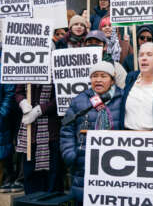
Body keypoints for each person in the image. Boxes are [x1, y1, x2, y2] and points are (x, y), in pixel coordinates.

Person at [60, 61, 124, 205]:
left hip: (116, 163)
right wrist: (71, 154)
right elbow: (67, 130)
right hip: (84, 164)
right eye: (94, 76)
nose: (98, 80)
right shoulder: (80, 100)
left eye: (103, 76)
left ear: (112, 80)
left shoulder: (123, 99)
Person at [14, 84, 64, 194]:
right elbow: (18, 92)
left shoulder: (56, 70)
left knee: (52, 173)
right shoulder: (25, 68)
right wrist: (22, 102)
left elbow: (62, 96)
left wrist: (40, 110)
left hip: (51, 131)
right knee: (30, 173)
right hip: (29, 132)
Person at [0, 57, 20, 193]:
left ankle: (11, 177)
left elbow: (9, 91)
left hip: (5, 115)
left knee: (7, 146)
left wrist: (2, 112)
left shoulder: (4, 63)